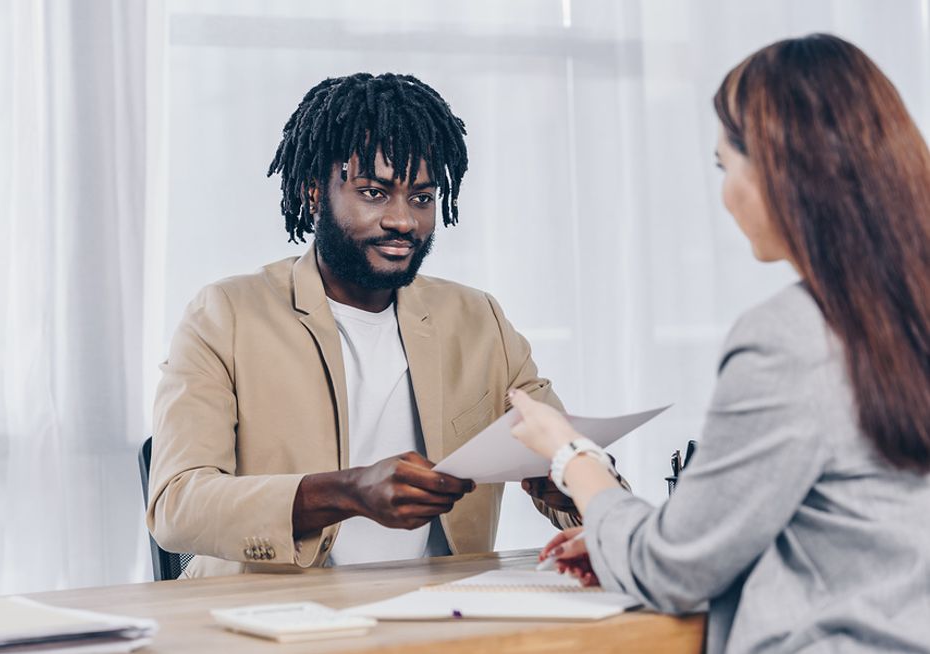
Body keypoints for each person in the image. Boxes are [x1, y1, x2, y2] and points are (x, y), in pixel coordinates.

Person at [508, 34, 930, 653]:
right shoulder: (904, 315)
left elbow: (672, 570)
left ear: (782, 170)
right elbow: (852, 530)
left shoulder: (788, 337)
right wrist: (625, 539)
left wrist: (571, 456)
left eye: (724, 165)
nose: (725, 194)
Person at [147, 73, 616, 578]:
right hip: (276, 615)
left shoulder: (479, 320)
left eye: (421, 198)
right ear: (313, 193)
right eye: (373, 192)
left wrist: (574, 484)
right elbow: (176, 505)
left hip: (443, 613)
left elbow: (586, 467)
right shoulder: (226, 314)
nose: (403, 221)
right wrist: (346, 492)